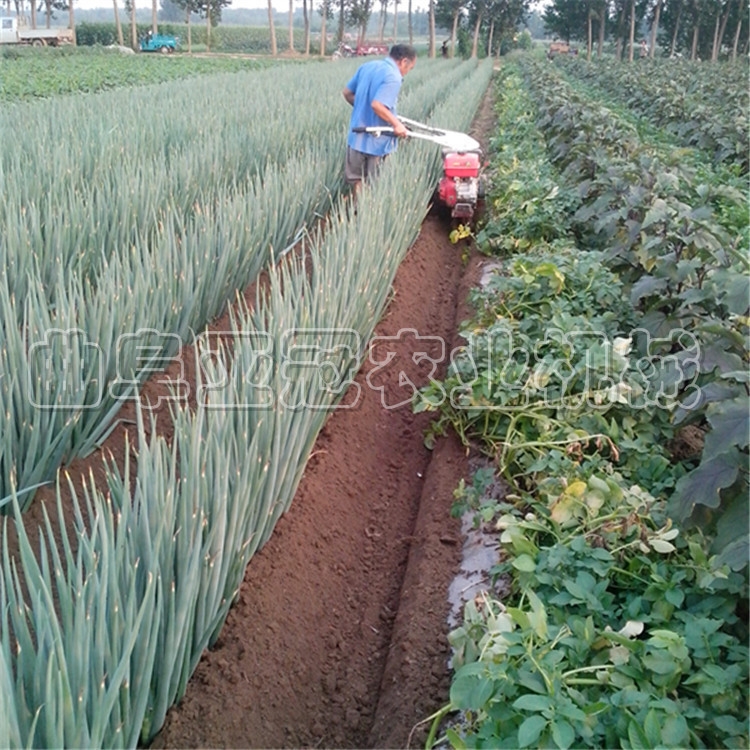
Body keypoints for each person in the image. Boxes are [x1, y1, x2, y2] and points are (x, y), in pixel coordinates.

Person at [342, 44, 417, 193]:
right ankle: (370, 214)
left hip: (356, 138)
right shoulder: (393, 76)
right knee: (376, 186)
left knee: (358, 181)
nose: (406, 72)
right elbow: (377, 105)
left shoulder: (367, 66)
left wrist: (361, 108)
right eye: (409, 68)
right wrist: (397, 124)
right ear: (403, 62)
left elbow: (347, 93)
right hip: (378, 143)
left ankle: (359, 212)